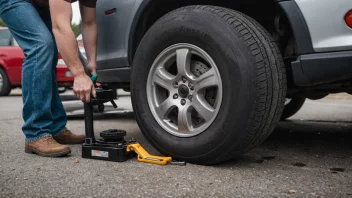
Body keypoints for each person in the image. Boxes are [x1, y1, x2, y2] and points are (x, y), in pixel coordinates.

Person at [0, 0, 98, 157]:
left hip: (42, 4)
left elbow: (89, 23)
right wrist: (79, 74)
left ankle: (55, 128)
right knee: (40, 45)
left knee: (49, 52)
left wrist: (91, 62)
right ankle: (36, 132)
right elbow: (60, 27)